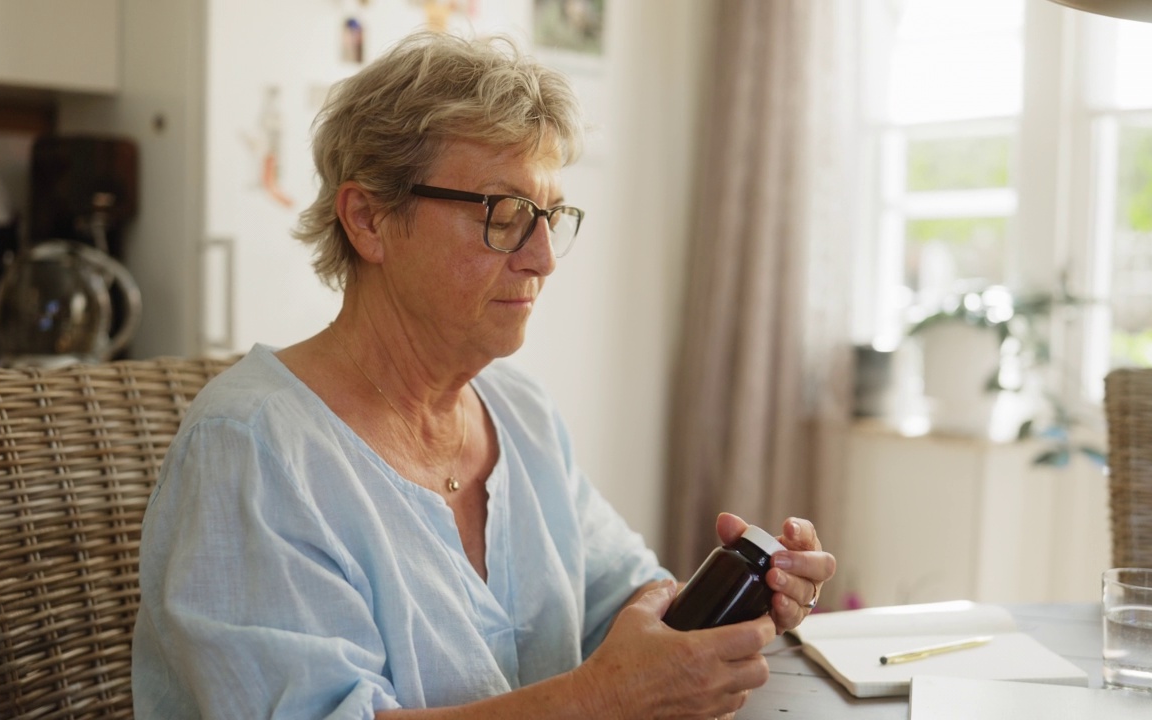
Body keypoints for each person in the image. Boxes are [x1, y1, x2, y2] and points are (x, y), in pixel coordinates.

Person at [131, 30, 836, 719]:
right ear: (368, 219)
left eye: (551, 217)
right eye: (506, 214)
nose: (543, 258)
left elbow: (624, 601)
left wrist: (734, 605)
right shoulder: (251, 450)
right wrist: (601, 701)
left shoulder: (519, 412)